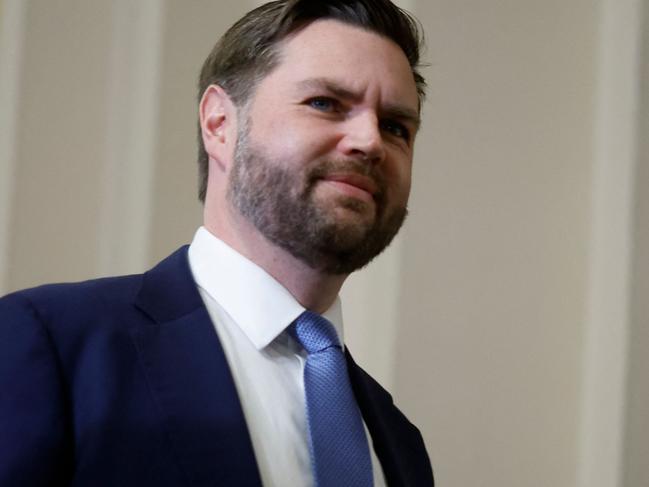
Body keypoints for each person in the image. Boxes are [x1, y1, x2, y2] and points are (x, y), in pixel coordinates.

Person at [0, 0, 433, 485]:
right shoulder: (50, 344)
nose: (370, 141)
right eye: (325, 103)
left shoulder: (399, 442)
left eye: (396, 127)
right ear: (219, 124)